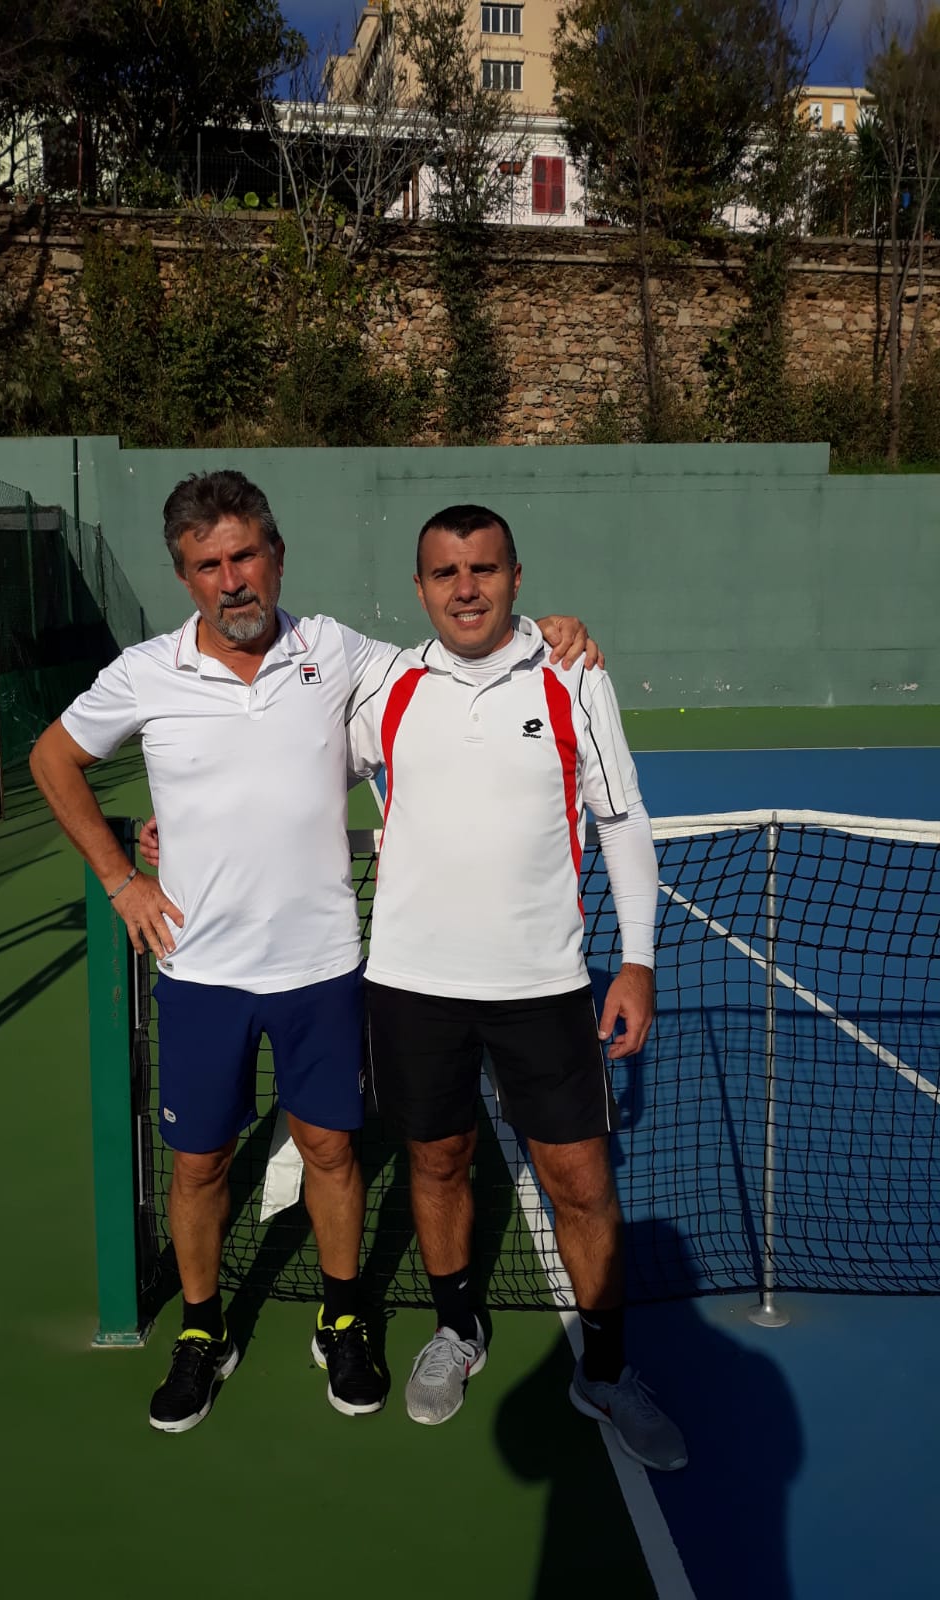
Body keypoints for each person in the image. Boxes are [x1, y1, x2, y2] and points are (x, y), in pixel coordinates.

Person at [29, 470, 596, 1435]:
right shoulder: (146, 672)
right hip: (199, 970)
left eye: (245, 555)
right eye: (207, 565)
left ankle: (342, 1316)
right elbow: (55, 759)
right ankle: (204, 1332)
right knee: (200, 1165)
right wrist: (123, 877)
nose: (231, 579)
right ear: (185, 576)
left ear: (277, 556)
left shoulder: (335, 652)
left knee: (334, 1151)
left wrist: (551, 633)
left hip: (326, 965)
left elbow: (456, 659)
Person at [345, 503, 687, 1471]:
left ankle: (608, 1374)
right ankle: (457, 1328)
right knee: (438, 1162)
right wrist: (173, 839)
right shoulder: (388, 686)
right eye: (446, 573)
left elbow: (622, 821)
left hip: (544, 986)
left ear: (515, 576)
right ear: (419, 588)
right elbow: (289, 780)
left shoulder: (573, 674)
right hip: (411, 984)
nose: (466, 588)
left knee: (581, 1182)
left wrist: (638, 960)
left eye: (483, 569)